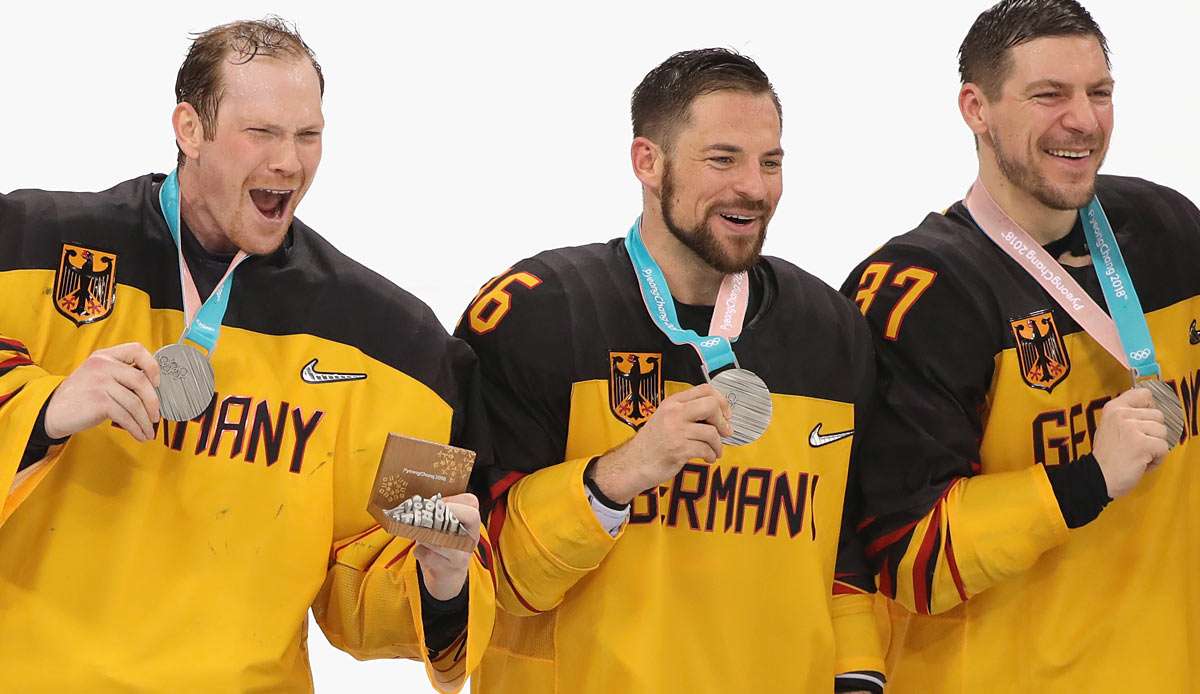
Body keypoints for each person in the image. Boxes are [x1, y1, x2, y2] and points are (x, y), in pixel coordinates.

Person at [0, 18, 494, 692]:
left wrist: (439, 578)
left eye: (308, 135)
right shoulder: (23, 245)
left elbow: (372, 595)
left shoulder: (405, 347)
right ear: (189, 128)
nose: (289, 161)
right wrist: (43, 406)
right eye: (262, 133)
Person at [457, 48, 885, 693]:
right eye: (724, 159)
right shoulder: (537, 311)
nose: (754, 186)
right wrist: (614, 478)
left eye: (770, 162)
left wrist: (860, 677)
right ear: (647, 162)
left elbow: (847, 546)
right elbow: (481, 573)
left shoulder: (830, 328)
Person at [840, 1, 1199, 690]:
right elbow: (902, 555)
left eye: (1099, 93)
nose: (1084, 121)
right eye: (1048, 95)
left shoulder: (1169, 230)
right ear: (976, 107)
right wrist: (1084, 481)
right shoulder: (920, 292)